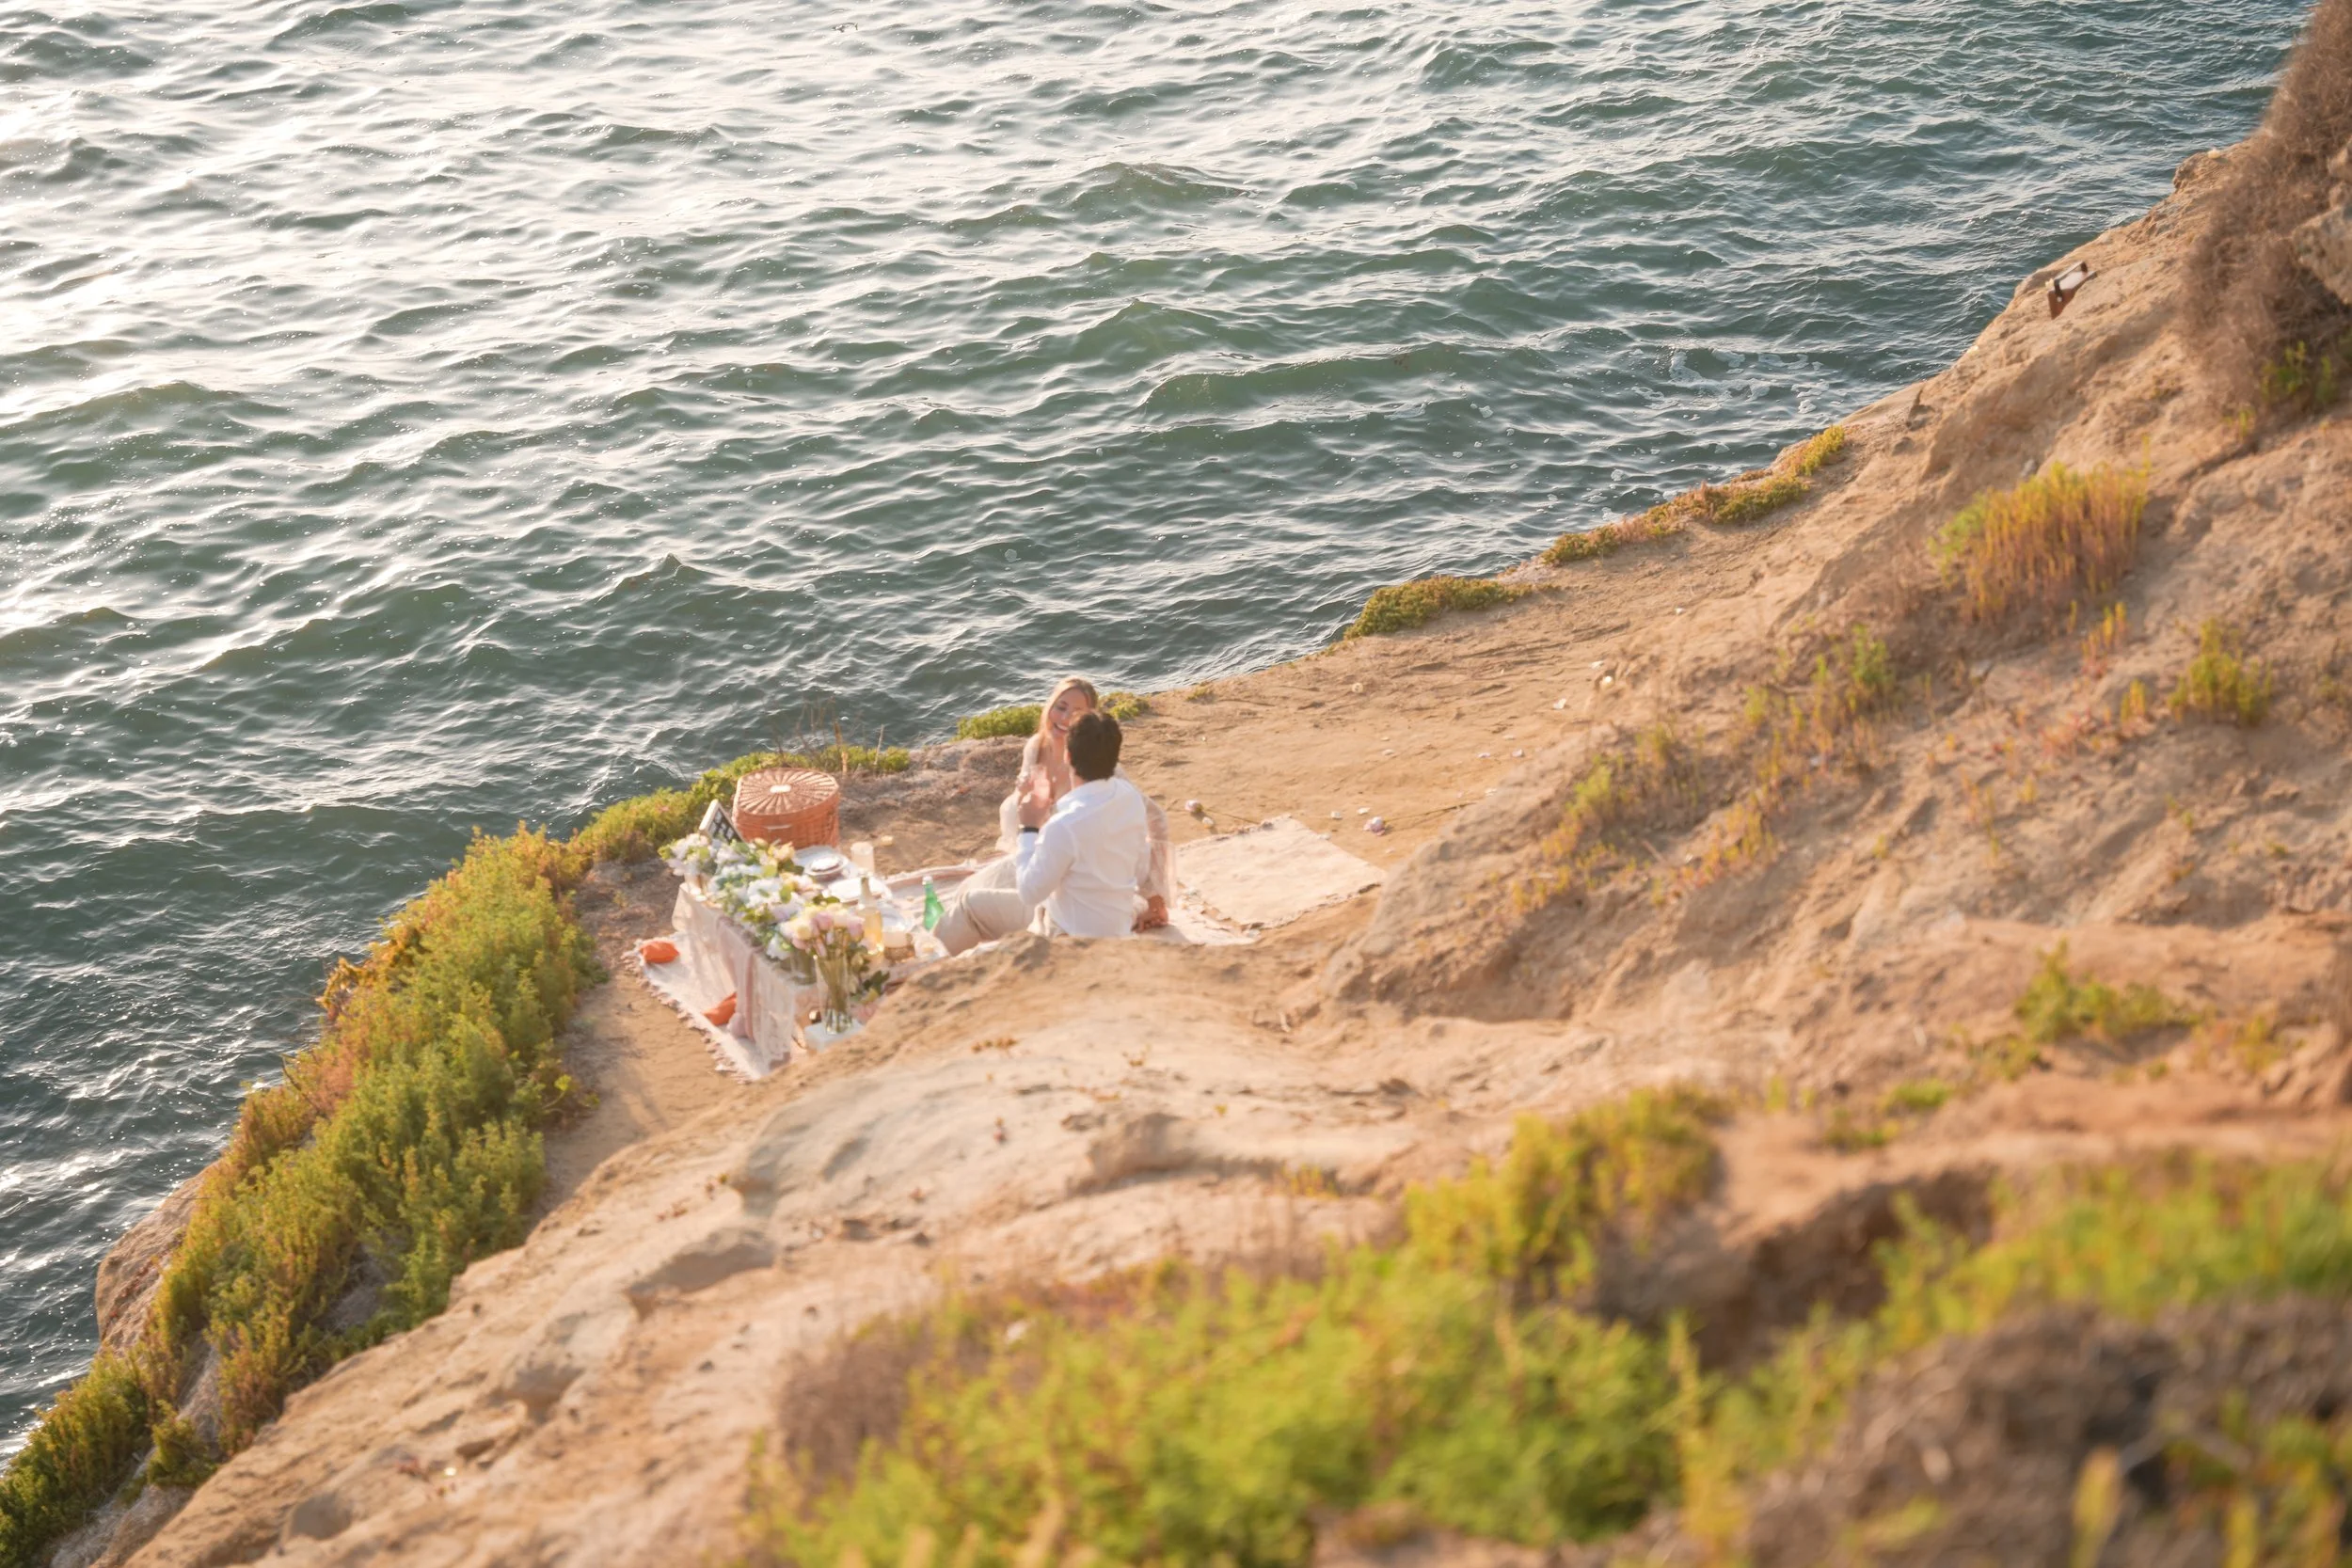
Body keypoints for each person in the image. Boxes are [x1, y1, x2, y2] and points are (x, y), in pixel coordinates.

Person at [936, 710, 1155, 955]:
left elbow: (1030, 892)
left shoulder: (1064, 824)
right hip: (1115, 926)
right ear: (1114, 758)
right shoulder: (1130, 799)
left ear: (1068, 756)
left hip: (1067, 940)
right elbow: (1141, 867)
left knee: (969, 906)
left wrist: (1029, 827)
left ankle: (921, 971)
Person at [995, 678, 1170, 927]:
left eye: (1076, 713)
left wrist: (1155, 892)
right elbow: (1029, 813)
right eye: (1061, 707)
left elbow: (1157, 818)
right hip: (1048, 858)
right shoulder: (1035, 747)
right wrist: (1026, 798)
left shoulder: (1104, 768)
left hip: (1087, 876)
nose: (1064, 718)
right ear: (1049, 707)